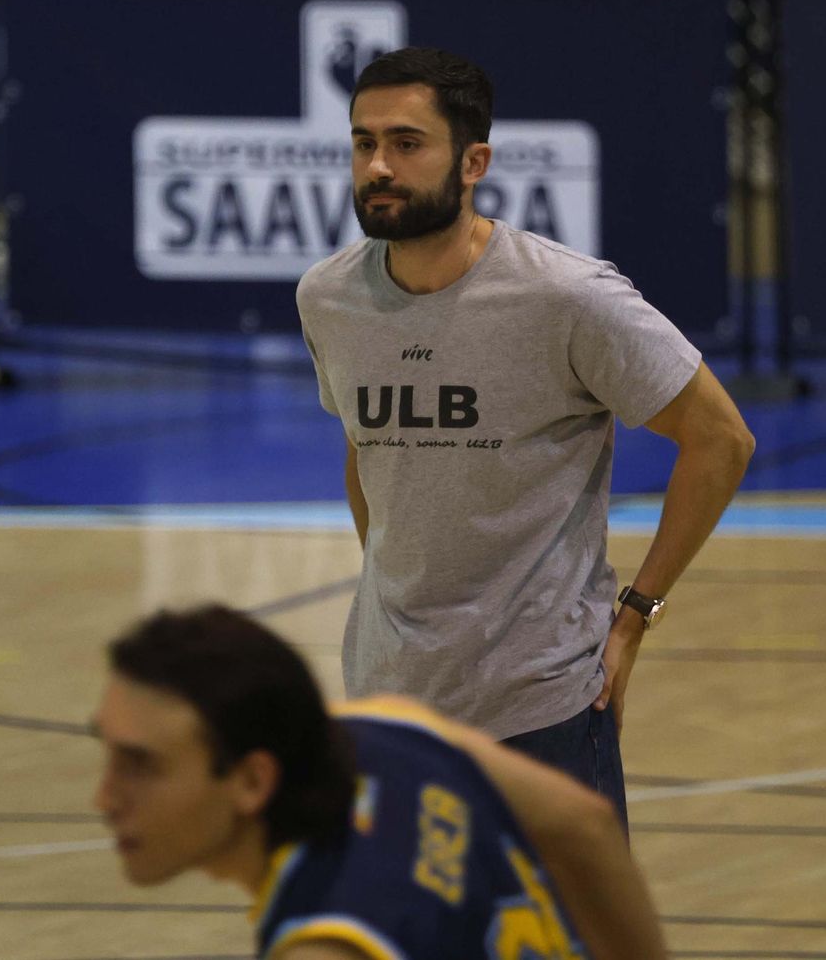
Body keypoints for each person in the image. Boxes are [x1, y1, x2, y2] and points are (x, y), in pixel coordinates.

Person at [294, 47, 756, 819]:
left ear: (473, 161)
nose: (378, 166)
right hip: (388, 701)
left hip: (540, 708)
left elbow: (721, 439)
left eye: (407, 144)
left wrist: (638, 614)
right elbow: (364, 451)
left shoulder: (567, 297)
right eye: (363, 142)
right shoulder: (328, 297)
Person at [91, 604, 667, 960]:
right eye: (109, 753)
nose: (105, 798)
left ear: (251, 780)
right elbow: (586, 825)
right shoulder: (388, 728)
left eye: (141, 765)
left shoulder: (327, 945)